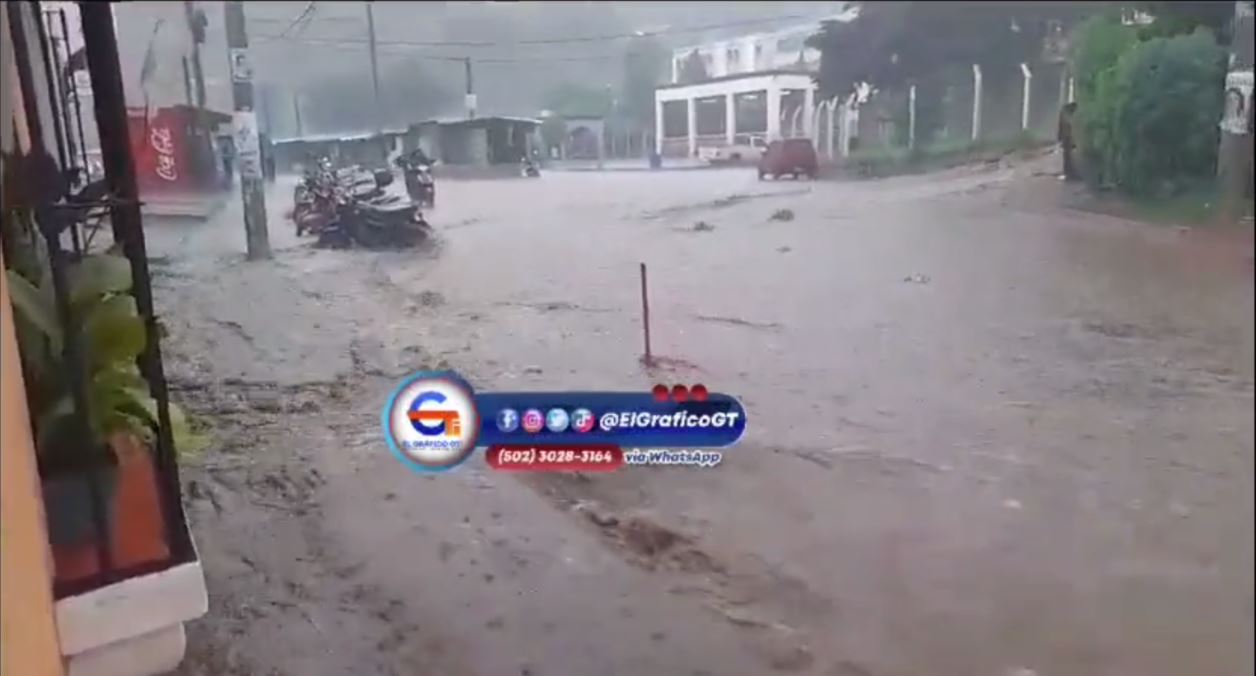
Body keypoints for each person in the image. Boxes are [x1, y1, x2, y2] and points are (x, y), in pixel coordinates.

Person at [1057, 101, 1078, 181]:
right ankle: (1069, 172)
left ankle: (1069, 172)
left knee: (1068, 156)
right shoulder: (1067, 113)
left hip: (1068, 138)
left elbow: (1061, 125)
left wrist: (1060, 137)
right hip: (1068, 138)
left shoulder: (1064, 112)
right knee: (1068, 156)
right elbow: (1062, 125)